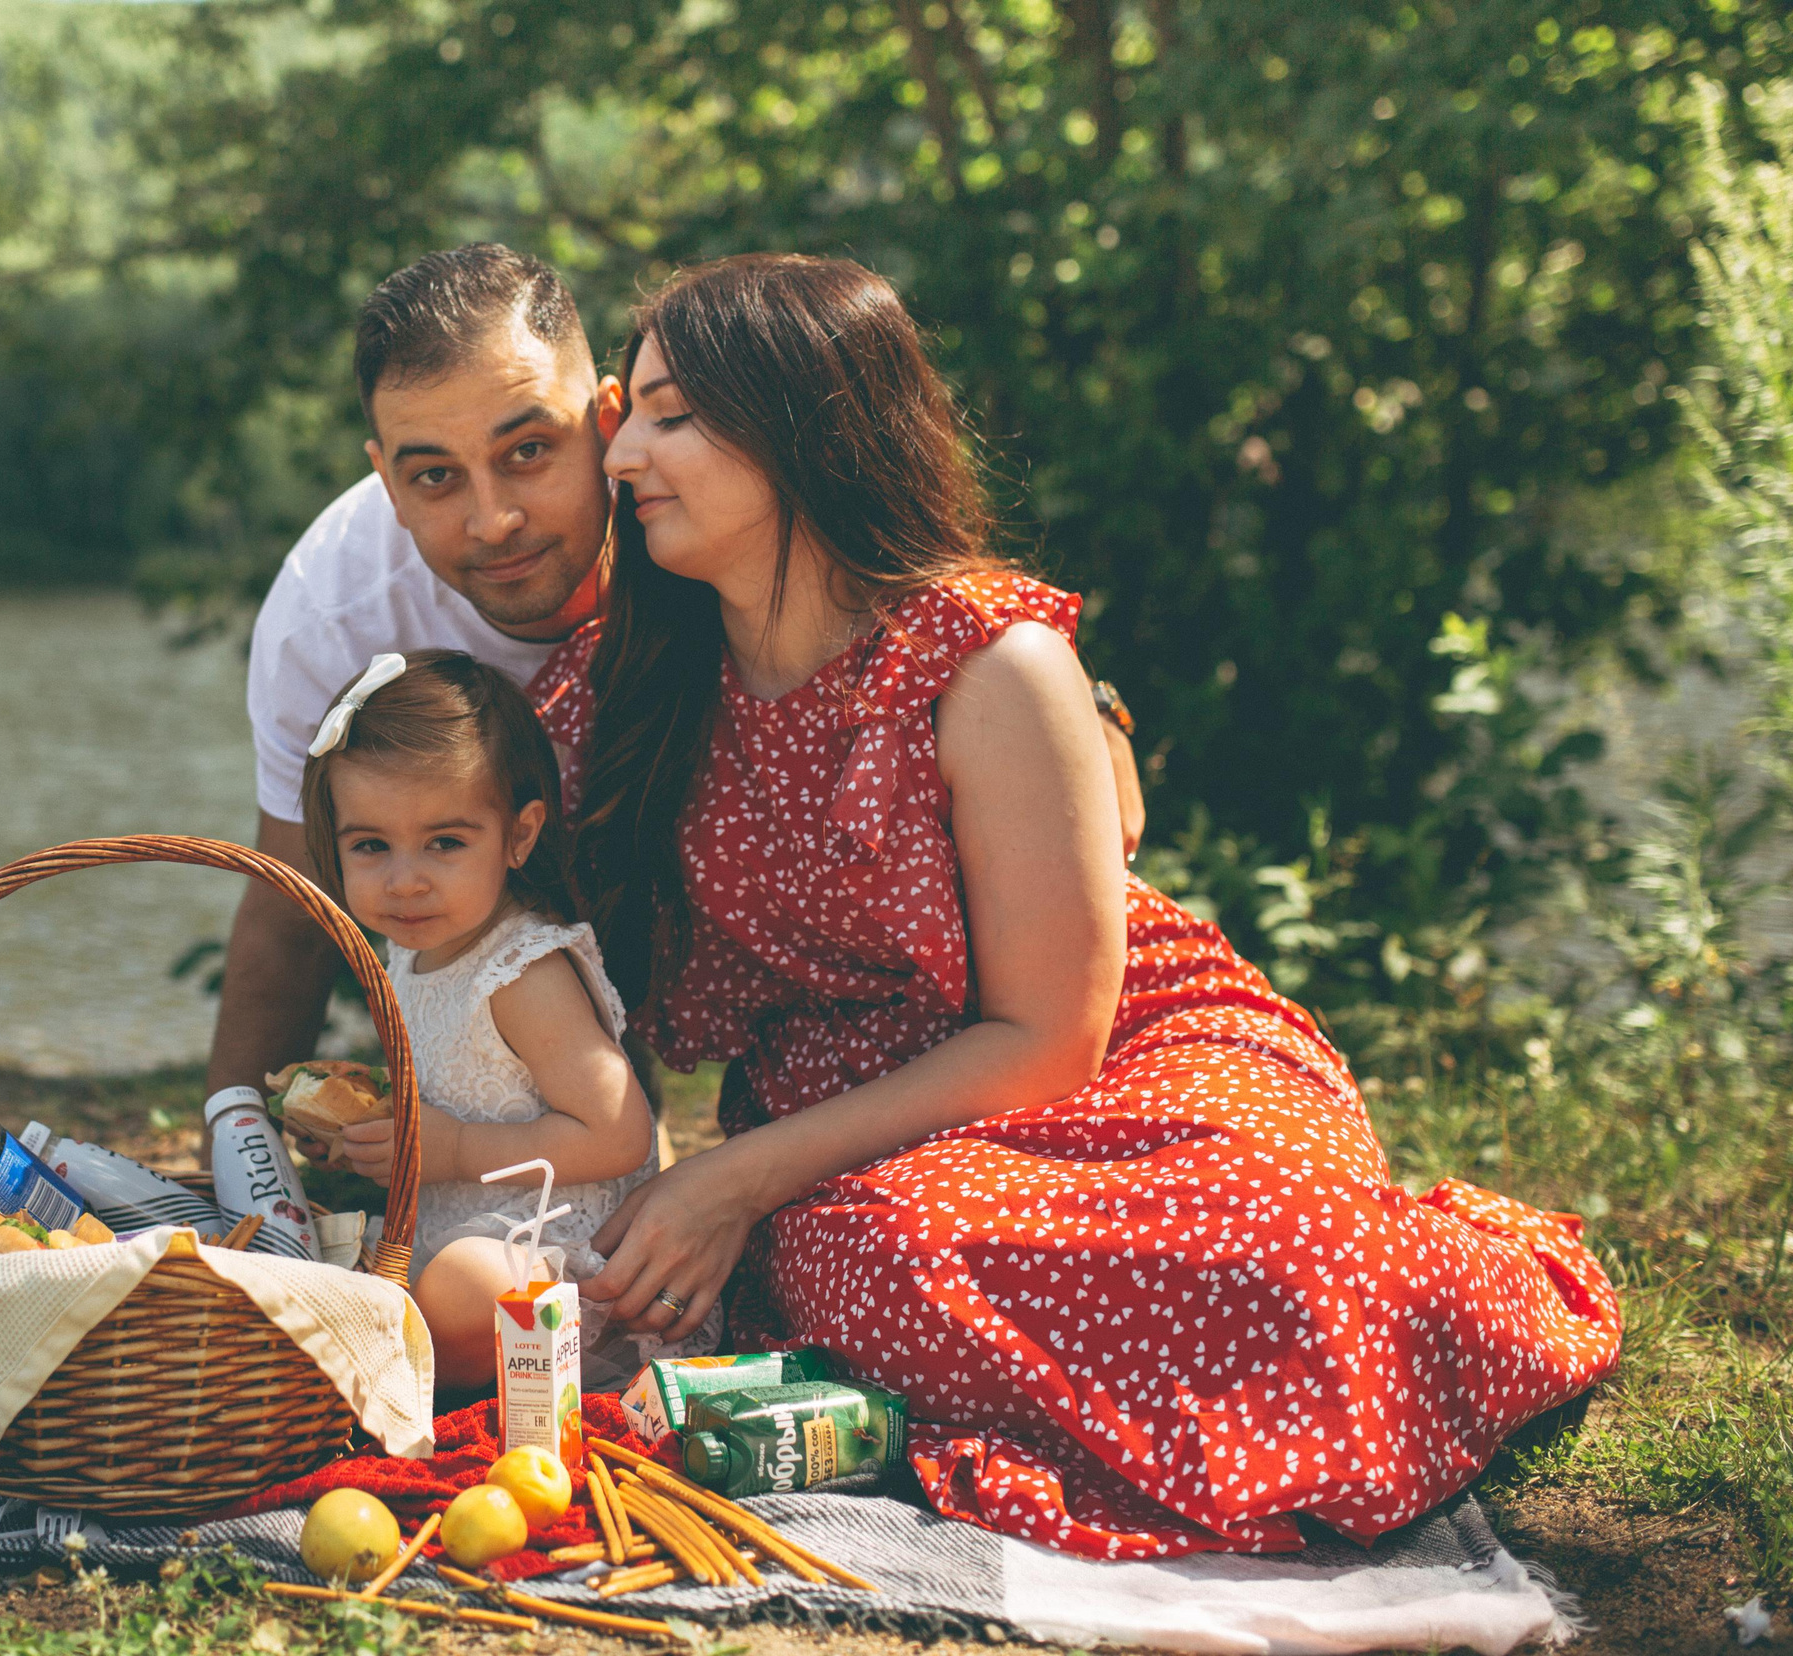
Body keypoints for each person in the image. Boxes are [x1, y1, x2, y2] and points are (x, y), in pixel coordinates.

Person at [535, 253, 1621, 1559]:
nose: (623, 458)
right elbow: (449, 858)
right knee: (883, 1254)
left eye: (670, 416)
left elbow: (1050, 1034)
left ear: (800, 428)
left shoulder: (988, 657)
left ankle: (1440, 1286)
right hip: (863, 1143)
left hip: (1125, 1062)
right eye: (628, 417)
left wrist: (729, 1179)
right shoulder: (634, 683)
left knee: (1275, 1245)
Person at [208, 244, 1147, 1102]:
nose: (494, 520)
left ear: (606, 420)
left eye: (529, 452)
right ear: (383, 475)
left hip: (1010, 1030)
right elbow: (296, 907)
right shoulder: (336, 615)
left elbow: (893, 559)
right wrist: (238, 1142)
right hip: (655, 970)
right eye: (434, 478)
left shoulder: (698, 499)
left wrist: (1083, 700)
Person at [293, 648, 701, 1388]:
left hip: (556, 1259)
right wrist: (369, 1139)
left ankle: (444, 1378)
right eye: (371, 846)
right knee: (316, 1256)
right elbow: (452, 1095)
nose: (405, 878)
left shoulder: (522, 972)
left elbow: (619, 1133)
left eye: (445, 842)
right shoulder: (410, 950)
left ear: (518, 834)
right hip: (455, 1231)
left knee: (463, 1289)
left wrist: (449, 1152)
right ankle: (409, 1364)